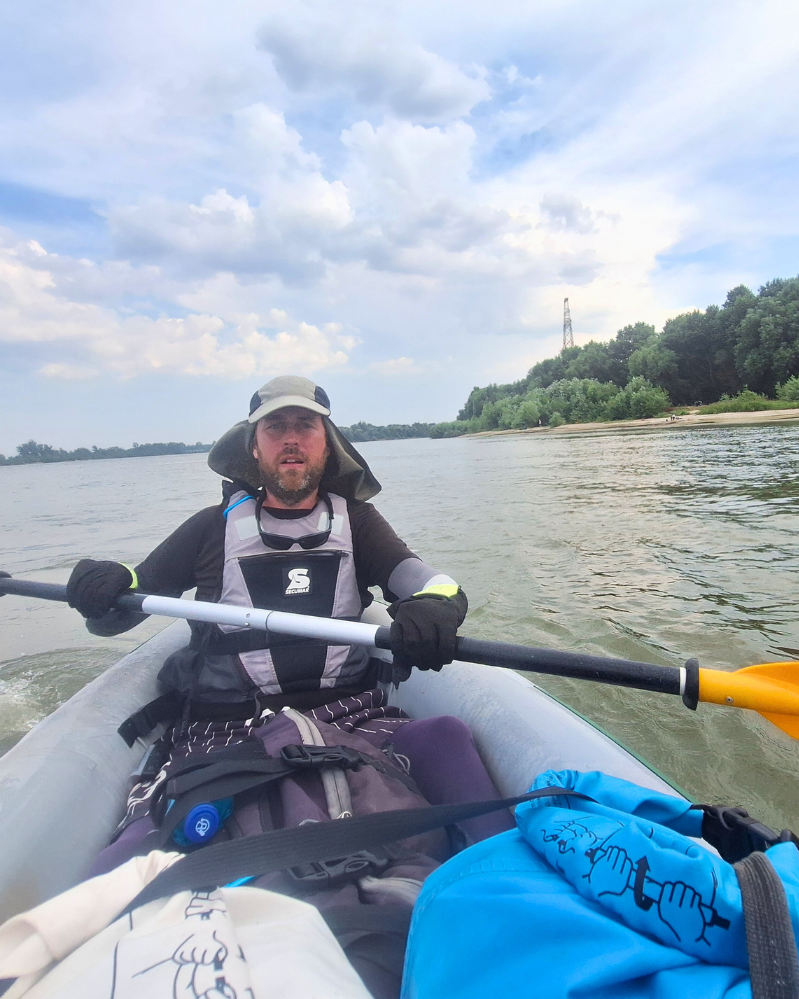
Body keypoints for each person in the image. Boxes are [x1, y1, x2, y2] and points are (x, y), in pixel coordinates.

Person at [68, 375, 510, 877]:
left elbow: (435, 584)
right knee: (143, 842)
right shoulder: (210, 528)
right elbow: (126, 603)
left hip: (350, 715)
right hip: (226, 728)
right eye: (275, 427)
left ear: (328, 443)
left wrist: (436, 607)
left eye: (306, 426)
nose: (291, 439)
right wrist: (104, 587)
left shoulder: (359, 523)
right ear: (254, 448)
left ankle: (509, 880)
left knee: (446, 736)